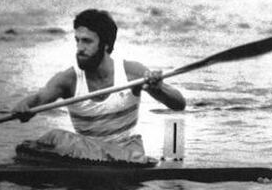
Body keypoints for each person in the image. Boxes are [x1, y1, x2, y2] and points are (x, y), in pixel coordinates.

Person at [13, 9, 185, 164]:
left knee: (56, 137)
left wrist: (158, 88)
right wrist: (25, 106)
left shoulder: (131, 72)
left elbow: (179, 104)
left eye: (87, 41)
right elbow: (39, 98)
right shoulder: (68, 79)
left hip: (128, 157)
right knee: (50, 139)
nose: (80, 48)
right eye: (77, 41)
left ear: (106, 45)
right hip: (86, 157)